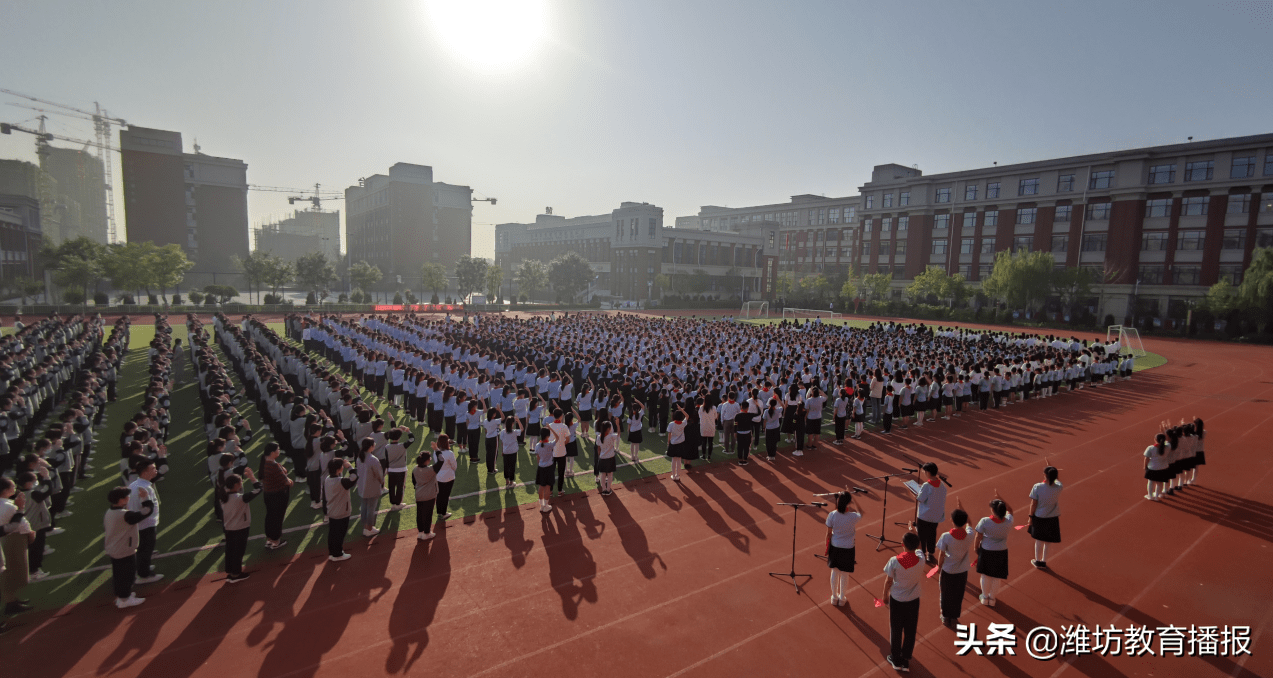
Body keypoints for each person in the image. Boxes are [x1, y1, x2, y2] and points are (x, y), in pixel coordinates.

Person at [103, 486, 153, 609]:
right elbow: (147, 511)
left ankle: (122, 596)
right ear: (121, 500)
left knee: (119, 574)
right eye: (126, 496)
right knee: (127, 575)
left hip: (114, 549)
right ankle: (125, 599)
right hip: (124, 550)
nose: (129, 498)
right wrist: (145, 498)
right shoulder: (125, 515)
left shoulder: (110, 511)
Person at [882, 531, 925, 672]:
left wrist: (885, 596)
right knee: (910, 630)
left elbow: (888, 581)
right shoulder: (921, 558)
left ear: (902, 545)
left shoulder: (894, 561)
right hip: (913, 600)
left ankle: (895, 658)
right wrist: (914, 531)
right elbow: (918, 550)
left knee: (896, 629)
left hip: (897, 600)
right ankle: (906, 659)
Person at [219, 469, 261, 583]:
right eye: (240, 481)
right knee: (238, 551)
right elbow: (259, 489)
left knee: (231, 550)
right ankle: (236, 574)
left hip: (229, 528)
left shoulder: (224, 497)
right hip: (240, 528)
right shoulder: (241, 498)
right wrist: (252, 478)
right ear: (236, 485)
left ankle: (231, 571)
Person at [934, 498, 971, 626]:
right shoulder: (969, 535)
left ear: (952, 521)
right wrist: (962, 508)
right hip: (962, 571)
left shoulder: (946, 536)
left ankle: (945, 615)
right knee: (958, 594)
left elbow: (942, 553)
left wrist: (939, 566)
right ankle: (954, 616)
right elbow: (970, 524)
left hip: (948, 570)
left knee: (945, 593)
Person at [972, 492, 1013, 607]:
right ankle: (992, 598)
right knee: (996, 576)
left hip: (987, 551)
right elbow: (1011, 511)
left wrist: (976, 548)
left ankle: (984, 597)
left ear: (994, 511)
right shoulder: (1009, 521)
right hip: (1001, 551)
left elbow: (978, 536)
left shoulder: (985, 521)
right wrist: (1001, 499)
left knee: (985, 575)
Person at [127, 458, 163, 584]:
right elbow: (146, 508)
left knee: (143, 549)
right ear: (145, 472)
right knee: (145, 549)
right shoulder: (143, 488)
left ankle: (143, 567)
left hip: (142, 524)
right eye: (153, 468)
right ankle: (144, 574)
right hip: (146, 524)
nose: (156, 470)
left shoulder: (135, 485)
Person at [825, 491, 861, 607]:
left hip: (835, 546)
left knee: (834, 571)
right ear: (848, 503)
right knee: (845, 574)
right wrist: (854, 499)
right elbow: (860, 511)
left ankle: (834, 597)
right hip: (848, 548)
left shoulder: (832, 515)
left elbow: (828, 533)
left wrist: (827, 546)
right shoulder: (853, 516)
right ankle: (842, 598)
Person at [1026, 463, 1062, 568]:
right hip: (1053, 517)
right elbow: (1057, 480)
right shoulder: (1059, 487)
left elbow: (1033, 503)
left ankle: (1037, 560)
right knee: (1048, 541)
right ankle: (1044, 560)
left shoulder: (1037, 487)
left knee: (1039, 540)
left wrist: (1030, 517)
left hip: (1040, 516)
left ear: (1045, 475)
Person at [323, 457, 357, 562]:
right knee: (340, 534)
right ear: (339, 469)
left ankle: (332, 553)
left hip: (331, 511)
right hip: (342, 512)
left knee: (332, 533)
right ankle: (338, 554)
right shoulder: (342, 481)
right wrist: (350, 467)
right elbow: (355, 477)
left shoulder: (327, 479)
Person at [913, 463, 947, 565]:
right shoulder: (941, 485)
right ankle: (930, 553)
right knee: (932, 534)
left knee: (922, 535)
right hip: (936, 515)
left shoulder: (926, 485)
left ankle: (922, 553)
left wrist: (914, 493)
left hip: (924, 515)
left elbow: (920, 498)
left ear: (928, 472)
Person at [259, 443, 292, 550]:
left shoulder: (264, 462)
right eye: (277, 449)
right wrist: (291, 481)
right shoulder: (273, 466)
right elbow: (286, 481)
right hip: (278, 495)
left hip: (268, 494)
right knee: (278, 517)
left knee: (270, 516)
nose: (279, 451)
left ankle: (269, 539)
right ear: (272, 452)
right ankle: (276, 540)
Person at [354, 438, 384, 538]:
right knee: (371, 508)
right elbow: (379, 475)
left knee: (364, 507)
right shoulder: (373, 459)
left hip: (362, 487)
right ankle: (369, 529)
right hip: (372, 488)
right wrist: (382, 483)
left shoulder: (359, 457)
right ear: (370, 446)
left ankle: (366, 527)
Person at [412, 451, 440, 541]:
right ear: (427, 460)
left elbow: (414, 482)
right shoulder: (431, 470)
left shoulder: (414, 469)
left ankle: (420, 532)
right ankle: (427, 533)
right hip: (429, 495)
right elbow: (441, 461)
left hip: (419, 495)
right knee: (428, 514)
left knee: (419, 514)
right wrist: (437, 449)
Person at [433, 436, 457, 521]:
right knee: (445, 496)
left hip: (438, 477)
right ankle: (444, 513)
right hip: (449, 477)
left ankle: (439, 512)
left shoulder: (435, 452)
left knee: (439, 495)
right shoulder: (450, 453)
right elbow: (454, 466)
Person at [594, 420, 619, 496]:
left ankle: (604, 489)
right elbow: (618, 434)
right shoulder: (611, 436)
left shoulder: (599, 437)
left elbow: (598, 449)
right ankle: (608, 490)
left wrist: (599, 456)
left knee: (603, 474)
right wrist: (617, 424)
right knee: (610, 474)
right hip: (610, 458)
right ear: (608, 429)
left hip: (602, 458)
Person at [1143, 432, 1170, 501]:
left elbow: (1146, 458)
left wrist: (1145, 466)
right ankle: (1157, 497)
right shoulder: (1167, 447)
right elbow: (1167, 442)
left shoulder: (1151, 448)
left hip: (1153, 467)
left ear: (1155, 439)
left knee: (1151, 482)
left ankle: (1150, 495)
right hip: (1163, 468)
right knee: (1159, 483)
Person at [533, 430, 555, 513]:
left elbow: (537, 458)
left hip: (541, 468)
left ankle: (542, 506)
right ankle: (546, 505)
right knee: (548, 487)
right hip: (549, 468)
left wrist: (540, 464)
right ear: (548, 435)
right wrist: (551, 429)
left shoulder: (538, 445)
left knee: (541, 486)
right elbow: (557, 438)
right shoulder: (550, 445)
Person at [499, 416, 522, 489]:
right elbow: (522, 429)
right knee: (512, 466)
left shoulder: (503, 431)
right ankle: (511, 482)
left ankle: (507, 481)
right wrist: (518, 421)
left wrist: (502, 451)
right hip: (513, 451)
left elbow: (502, 442)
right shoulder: (515, 432)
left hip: (506, 452)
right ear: (512, 424)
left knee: (506, 466)